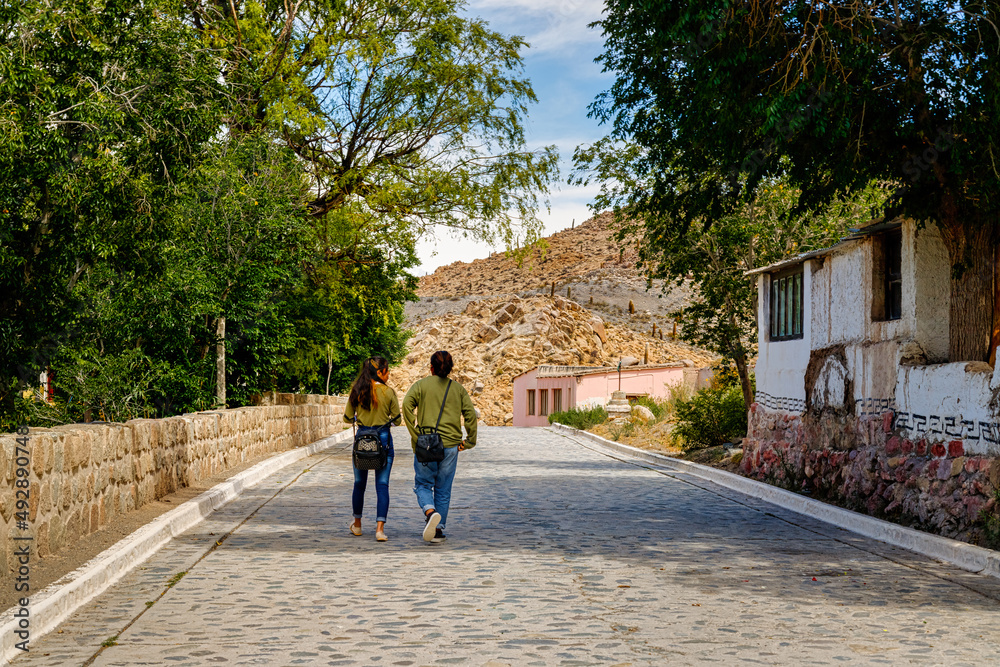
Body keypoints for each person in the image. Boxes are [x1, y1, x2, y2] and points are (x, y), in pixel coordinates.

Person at [402, 350, 478, 543]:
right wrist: (469, 441)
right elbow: (470, 415)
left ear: (432, 367)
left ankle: (430, 512)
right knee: (443, 488)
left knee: (423, 484)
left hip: (426, 444)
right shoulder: (459, 389)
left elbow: (406, 406)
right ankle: (437, 529)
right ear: (450, 369)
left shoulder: (420, 386)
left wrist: (415, 433)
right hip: (452, 446)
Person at [344, 356, 401, 542]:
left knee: (359, 484)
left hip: (362, 440)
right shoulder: (389, 392)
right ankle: (379, 530)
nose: (389, 373)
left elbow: (346, 417)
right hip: (383, 440)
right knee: (382, 485)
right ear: (379, 372)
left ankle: (358, 525)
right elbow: (398, 420)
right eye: (387, 370)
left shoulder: (357, 391)